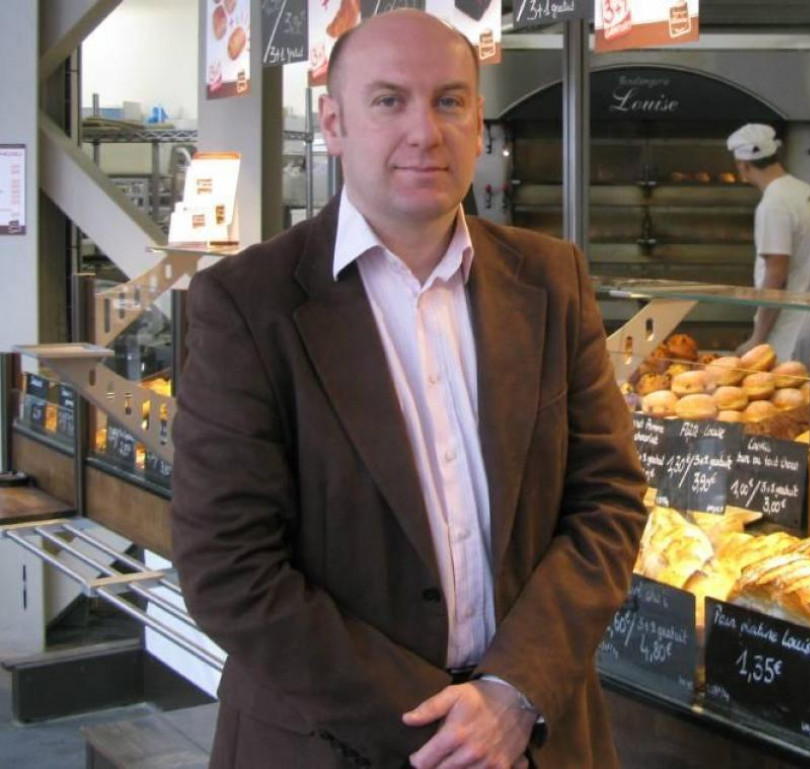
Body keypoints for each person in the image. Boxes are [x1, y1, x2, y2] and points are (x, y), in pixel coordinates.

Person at [171, 10, 647, 769]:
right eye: (388, 100)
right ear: (335, 123)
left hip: (534, 734)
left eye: (450, 101)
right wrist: (446, 728)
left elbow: (609, 501)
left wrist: (514, 690)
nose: (425, 131)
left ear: (480, 121)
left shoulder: (552, 280)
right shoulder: (247, 303)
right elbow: (229, 566)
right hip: (331, 741)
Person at [726, 123, 810, 366]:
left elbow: (776, 276)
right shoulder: (805, 191)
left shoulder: (774, 204)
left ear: (743, 166)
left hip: (790, 328)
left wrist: (757, 339)